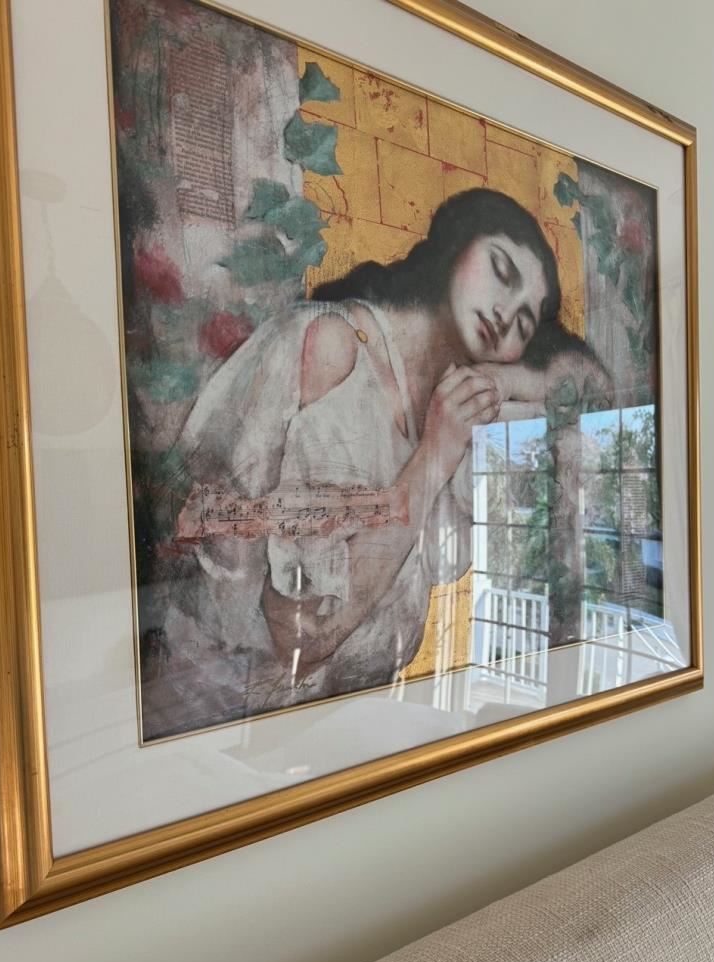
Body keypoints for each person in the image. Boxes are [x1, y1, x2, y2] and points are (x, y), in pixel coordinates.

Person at [146, 189, 565, 734]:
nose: (507, 316)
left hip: (343, 732)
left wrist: (498, 386)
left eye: (527, 323)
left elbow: (573, 385)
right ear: (455, 245)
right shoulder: (335, 347)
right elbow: (303, 639)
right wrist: (433, 457)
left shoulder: (447, 403)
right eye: (501, 271)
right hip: (228, 728)